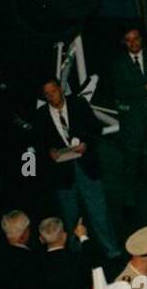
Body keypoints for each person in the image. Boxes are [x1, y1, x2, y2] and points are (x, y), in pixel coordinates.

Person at [37, 78, 119, 258]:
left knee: (99, 211)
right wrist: (49, 152)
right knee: (69, 216)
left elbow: (95, 130)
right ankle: (75, 254)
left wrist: (86, 145)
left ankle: (111, 249)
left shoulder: (78, 104)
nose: (52, 96)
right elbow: (38, 143)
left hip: (86, 166)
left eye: (54, 91)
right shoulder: (41, 115)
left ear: (61, 89)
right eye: (47, 94)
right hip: (62, 174)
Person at [110, 26, 147, 205]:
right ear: (123, 42)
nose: (133, 43)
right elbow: (119, 91)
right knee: (131, 160)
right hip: (133, 119)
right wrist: (146, 89)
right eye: (128, 39)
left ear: (141, 39)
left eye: (136, 38)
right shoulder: (118, 63)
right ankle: (129, 199)